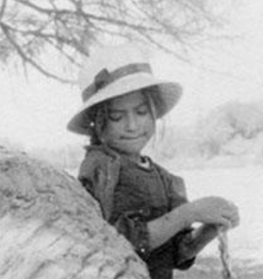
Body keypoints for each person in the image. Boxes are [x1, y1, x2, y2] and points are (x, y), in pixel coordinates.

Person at [67, 44, 240, 279]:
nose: (132, 125)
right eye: (117, 116)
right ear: (97, 123)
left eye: (141, 112)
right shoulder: (100, 167)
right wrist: (186, 214)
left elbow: (178, 254)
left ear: (153, 112)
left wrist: (210, 228)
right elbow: (111, 242)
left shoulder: (166, 180)